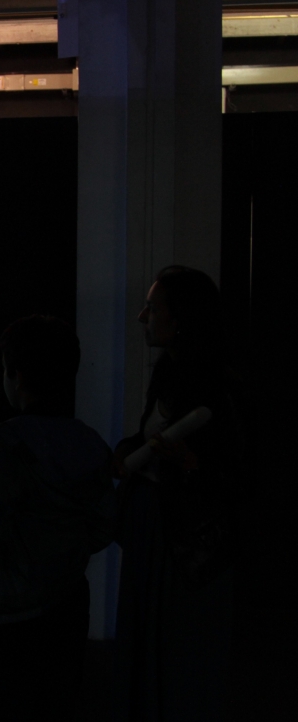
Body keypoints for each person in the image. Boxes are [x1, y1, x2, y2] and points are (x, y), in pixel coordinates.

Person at [0, 315, 117, 722]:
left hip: (10, 620)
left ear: (16, 375)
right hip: (69, 610)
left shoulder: (5, 443)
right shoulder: (90, 442)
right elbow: (105, 525)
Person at [111, 266, 241, 721]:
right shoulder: (170, 373)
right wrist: (129, 451)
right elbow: (151, 438)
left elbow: (230, 474)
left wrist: (187, 463)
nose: (142, 316)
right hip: (159, 530)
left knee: (177, 649)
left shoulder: (217, 389)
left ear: (181, 318)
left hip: (182, 541)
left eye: (152, 307)